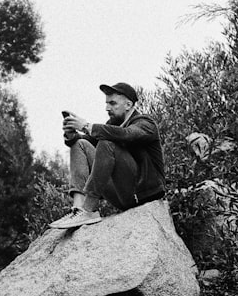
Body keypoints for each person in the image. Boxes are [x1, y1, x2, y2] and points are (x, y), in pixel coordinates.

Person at [49, 81, 166, 229]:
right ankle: (78, 210)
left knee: (106, 143)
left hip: (144, 194)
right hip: (121, 196)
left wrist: (86, 126)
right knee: (80, 145)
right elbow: (86, 142)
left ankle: (88, 208)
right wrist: (71, 134)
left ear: (128, 105)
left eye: (112, 103)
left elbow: (127, 134)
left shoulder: (145, 123)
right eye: (106, 103)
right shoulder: (113, 125)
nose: (107, 108)